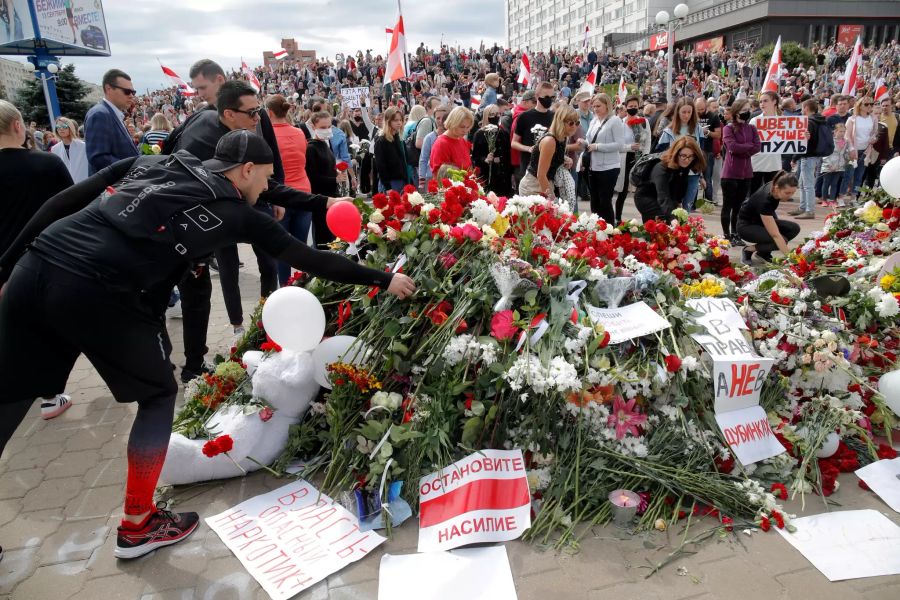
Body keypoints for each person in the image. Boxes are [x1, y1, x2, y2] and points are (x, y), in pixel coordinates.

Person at [0, 130, 416, 561]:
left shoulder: (155, 162)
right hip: (99, 292)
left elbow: (59, 204)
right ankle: (138, 526)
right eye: (264, 179)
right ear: (247, 170)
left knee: (9, 397)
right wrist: (383, 279)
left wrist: (4, 268)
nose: (264, 190)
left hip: (36, 266)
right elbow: (307, 258)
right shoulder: (238, 214)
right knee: (159, 395)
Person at [0, 99, 74, 420]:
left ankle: (35, 392)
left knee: (17, 327)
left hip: (4, 266)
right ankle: (49, 393)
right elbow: (74, 208)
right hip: (47, 258)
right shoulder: (47, 165)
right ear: (19, 126)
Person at [267, 94, 312, 284]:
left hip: (281, 196)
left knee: (282, 249)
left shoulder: (267, 136)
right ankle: (305, 286)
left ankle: (286, 287)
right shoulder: (299, 132)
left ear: (269, 113)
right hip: (303, 192)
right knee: (302, 247)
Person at [633, 137, 706, 223]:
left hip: (666, 196)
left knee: (676, 221)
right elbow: (663, 196)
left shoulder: (685, 164)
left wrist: (678, 204)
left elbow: (681, 185)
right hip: (646, 196)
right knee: (663, 222)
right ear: (676, 154)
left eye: (691, 156)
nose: (687, 160)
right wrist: (672, 218)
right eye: (683, 156)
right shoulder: (661, 168)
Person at [737, 171, 801, 264]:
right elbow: (775, 235)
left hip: (760, 221)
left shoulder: (776, 184)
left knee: (793, 228)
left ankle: (763, 253)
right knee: (781, 240)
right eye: (787, 193)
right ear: (777, 188)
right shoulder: (765, 201)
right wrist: (791, 259)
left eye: (793, 192)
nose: (790, 196)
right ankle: (749, 249)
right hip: (746, 226)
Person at [585, 93, 630, 223]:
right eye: (593, 106)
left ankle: (610, 231)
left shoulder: (615, 121)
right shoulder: (594, 120)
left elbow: (620, 145)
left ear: (607, 105)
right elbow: (589, 140)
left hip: (609, 167)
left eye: (598, 106)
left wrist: (598, 146)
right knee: (594, 201)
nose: (595, 109)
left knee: (605, 201)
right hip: (593, 166)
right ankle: (596, 228)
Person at [519, 105, 578, 206]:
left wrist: (565, 159)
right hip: (534, 186)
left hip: (546, 182)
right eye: (571, 123)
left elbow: (551, 157)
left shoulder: (562, 138)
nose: (575, 126)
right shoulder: (550, 140)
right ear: (561, 122)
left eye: (577, 123)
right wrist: (553, 201)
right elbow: (541, 175)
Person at [720, 99, 760, 245]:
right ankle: (726, 234)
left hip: (746, 173)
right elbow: (732, 147)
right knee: (728, 205)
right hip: (730, 173)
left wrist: (744, 148)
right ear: (737, 111)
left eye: (748, 108)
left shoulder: (751, 128)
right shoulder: (728, 128)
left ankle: (735, 233)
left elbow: (757, 146)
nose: (747, 112)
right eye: (744, 109)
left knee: (738, 206)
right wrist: (747, 147)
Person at [85, 69, 139, 175]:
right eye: (127, 91)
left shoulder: (110, 113)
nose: (131, 96)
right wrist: (135, 169)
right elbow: (99, 158)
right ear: (108, 89)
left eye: (133, 92)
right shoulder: (100, 114)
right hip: (114, 187)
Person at [656, 98, 704, 210]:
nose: (686, 115)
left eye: (689, 112)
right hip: (674, 174)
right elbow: (659, 153)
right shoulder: (668, 130)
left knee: (687, 209)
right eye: (683, 112)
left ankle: (684, 227)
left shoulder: (698, 129)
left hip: (692, 174)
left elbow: (700, 152)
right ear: (678, 112)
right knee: (672, 207)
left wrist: (701, 175)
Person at [615, 95, 652, 223]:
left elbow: (648, 141)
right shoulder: (620, 122)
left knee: (642, 189)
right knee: (623, 190)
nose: (633, 109)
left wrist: (645, 157)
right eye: (630, 107)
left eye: (635, 106)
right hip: (625, 157)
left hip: (639, 158)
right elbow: (618, 145)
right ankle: (617, 217)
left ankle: (647, 219)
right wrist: (629, 147)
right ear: (625, 107)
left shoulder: (643, 121)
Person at [306, 110, 340, 247]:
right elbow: (312, 177)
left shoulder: (326, 145)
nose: (326, 130)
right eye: (322, 127)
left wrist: (337, 174)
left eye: (328, 127)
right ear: (314, 127)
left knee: (332, 236)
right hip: (320, 199)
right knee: (323, 237)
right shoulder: (311, 148)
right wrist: (334, 180)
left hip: (331, 197)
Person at [791, 99, 826, 220]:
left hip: (808, 156)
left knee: (807, 185)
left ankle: (809, 210)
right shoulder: (819, 120)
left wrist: (795, 157)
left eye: (802, 108)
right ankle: (803, 207)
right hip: (813, 155)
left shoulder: (809, 122)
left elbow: (803, 141)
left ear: (806, 108)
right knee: (803, 183)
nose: (801, 110)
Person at [512, 82, 555, 180]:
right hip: (528, 167)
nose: (549, 100)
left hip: (548, 168)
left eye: (551, 97)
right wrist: (528, 148)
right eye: (546, 96)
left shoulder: (554, 117)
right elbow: (514, 143)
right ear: (537, 96)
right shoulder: (524, 116)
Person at [472, 104, 512, 196]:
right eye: (492, 114)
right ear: (487, 115)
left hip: (503, 175)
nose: (496, 116)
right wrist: (485, 159)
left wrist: (510, 172)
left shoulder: (503, 132)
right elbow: (475, 157)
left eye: (498, 114)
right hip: (487, 174)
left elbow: (507, 154)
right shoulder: (480, 134)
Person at [749, 91, 782, 194]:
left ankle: (768, 211)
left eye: (765, 101)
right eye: (761, 102)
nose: (762, 104)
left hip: (774, 163)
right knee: (754, 193)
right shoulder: (754, 121)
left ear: (774, 102)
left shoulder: (783, 121)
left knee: (773, 193)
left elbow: (789, 140)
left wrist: (802, 137)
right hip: (757, 163)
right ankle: (754, 210)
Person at [845, 96, 877, 199]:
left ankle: (854, 197)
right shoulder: (852, 119)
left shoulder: (873, 118)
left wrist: (873, 138)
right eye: (866, 104)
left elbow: (874, 133)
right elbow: (847, 135)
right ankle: (840, 196)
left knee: (859, 176)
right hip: (854, 150)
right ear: (860, 105)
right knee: (849, 175)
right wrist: (851, 149)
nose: (869, 106)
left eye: (871, 104)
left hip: (865, 151)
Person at [374, 106, 412, 193]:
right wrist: (388, 187)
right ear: (388, 121)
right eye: (395, 120)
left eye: (400, 120)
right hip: (390, 183)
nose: (399, 123)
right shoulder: (381, 141)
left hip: (402, 181)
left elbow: (405, 162)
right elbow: (381, 166)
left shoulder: (399, 139)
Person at [429, 106, 474, 175]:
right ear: (453, 123)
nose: (465, 131)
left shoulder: (461, 140)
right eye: (462, 127)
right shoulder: (441, 144)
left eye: (468, 127)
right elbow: (439, 176)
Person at [695, 96, 721, 204]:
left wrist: (707, 132)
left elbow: (718, 135)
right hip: (695, 150)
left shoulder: (713, 117)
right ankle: (692, 203)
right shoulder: (693, 115)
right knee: (693, 177)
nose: (700, 111)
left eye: (702, 109)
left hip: (707, 151)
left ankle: (708, 202)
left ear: (706, 106)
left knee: (707, 177)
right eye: (698, 109)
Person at [51, 116, 89, 183]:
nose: (61, 129)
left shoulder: (83, 146)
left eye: (64, 126)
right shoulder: (55, 149)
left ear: (70, 127)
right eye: (58, 127)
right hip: (67, 186)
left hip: (85, 183)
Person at [821, 122, 850, 208]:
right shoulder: (830, 141)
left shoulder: (845, 142)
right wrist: (830, 165)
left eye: (844, 131)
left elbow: (844, 153)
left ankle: (832, 200)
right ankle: (824, 200)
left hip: (839, 166)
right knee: (826, 183)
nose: (842, 133)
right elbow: (825, 154)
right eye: (840, 131)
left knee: (834, 184)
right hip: (828, 166)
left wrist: (848, 158)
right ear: (835, 131)